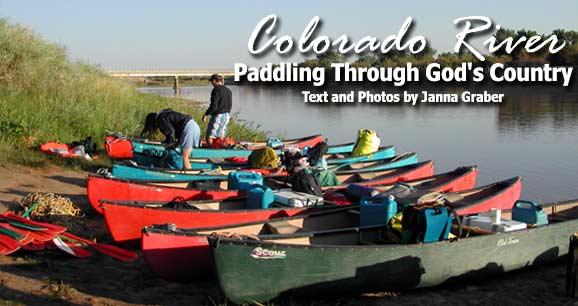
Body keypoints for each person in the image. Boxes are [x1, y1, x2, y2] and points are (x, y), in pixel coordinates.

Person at [202, 74, 232, 147]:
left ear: (215, 81)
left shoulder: (216, 90)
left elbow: (213, 105)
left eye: (212, 82)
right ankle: (220, 151)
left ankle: (211, 153)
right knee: (220, 137)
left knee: (209, 137)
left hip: (218, 115)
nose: (212, 84)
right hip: (227, 115)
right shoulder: (228, 90)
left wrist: (206, 114)